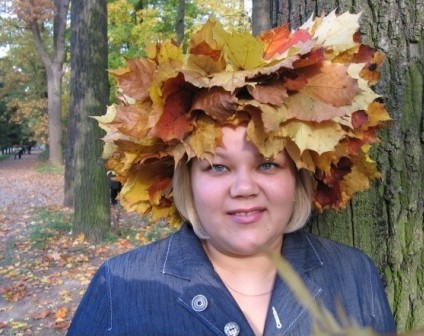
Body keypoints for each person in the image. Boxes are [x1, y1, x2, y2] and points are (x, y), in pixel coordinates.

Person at [68, 10, 396, 336]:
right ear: (188, 182)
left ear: (299, 178)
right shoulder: (122, 287)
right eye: (217, 166)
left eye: (267, 163)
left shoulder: (354, 276)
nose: (243, 188)